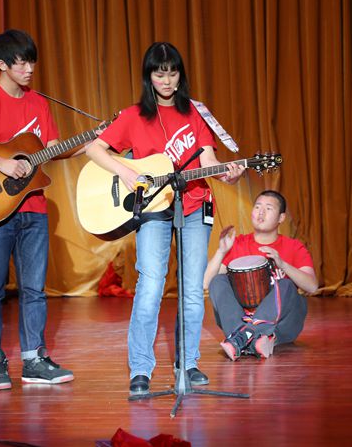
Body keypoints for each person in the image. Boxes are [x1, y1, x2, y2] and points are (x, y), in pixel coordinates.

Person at [85, 41, 244, 395]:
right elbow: (94, 149)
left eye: (172, 73)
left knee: (192, 290)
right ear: (149, 76)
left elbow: (207, 162)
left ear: (180, 75)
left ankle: (188, 363)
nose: (167, 81)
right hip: (153, 208)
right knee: (150, 286)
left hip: (195, 205)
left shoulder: (195, 114)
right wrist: (126, 172)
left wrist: (228, 175)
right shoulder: (134, 116)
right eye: (160, 74)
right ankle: (141, 369)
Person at [0, 29, 85, 391]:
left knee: (34, 289)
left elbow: (52, 148)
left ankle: (34, 360)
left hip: (34, 206)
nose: (29, 69)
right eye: (21, 63)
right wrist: (0, 163)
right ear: (2, 65)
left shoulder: (39, 102)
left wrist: (92, 140)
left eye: (31, 62)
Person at [204, 190, 318, 360]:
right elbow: (206, 283)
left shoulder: (294, 246)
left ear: (281, 218)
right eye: (257, 207)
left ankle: (243, 338)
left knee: (286, 285)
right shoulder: (238, 244)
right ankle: (256, 340)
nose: (261, 212)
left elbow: (312, 286)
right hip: (240, 320)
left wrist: (283, 265)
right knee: (218, 281)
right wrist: (221, 251)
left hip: (281, 325)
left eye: (268, 208)